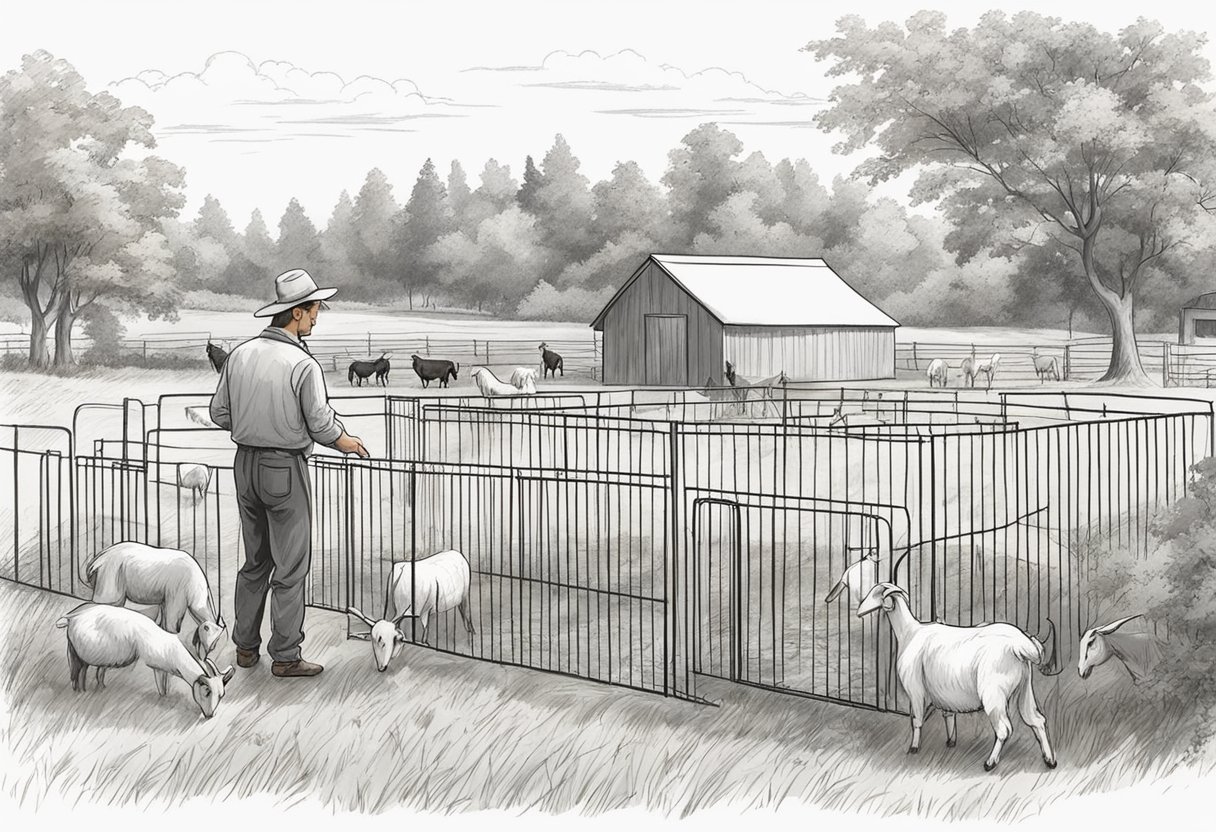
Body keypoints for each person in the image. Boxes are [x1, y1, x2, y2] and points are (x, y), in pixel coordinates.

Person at [209, 268, 369, 678]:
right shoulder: (302, 364)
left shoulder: (241, 355)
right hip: (284, 467)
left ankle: (245, 647)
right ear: (296, 313)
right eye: (315, 310)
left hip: (244, 465)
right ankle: (285, 655)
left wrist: (253, 424)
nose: (317, 317)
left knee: (255, 561)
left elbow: (218, 412)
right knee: (291, 565)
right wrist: (346, 442)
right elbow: (320, 423)